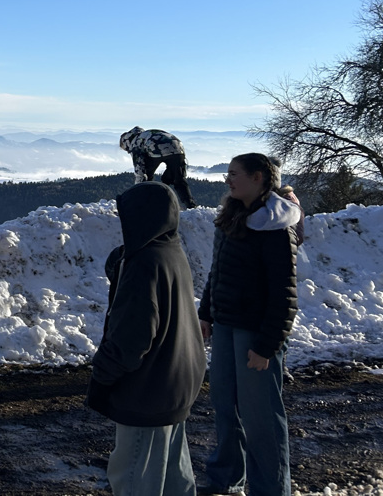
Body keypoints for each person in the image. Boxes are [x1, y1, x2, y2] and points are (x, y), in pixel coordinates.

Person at [86, 181, 206, 496]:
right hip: (175, 382)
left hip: (148, 389)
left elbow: (131, 340)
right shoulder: (171, 249)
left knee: (135, 475)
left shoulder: (144, 265)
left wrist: (101, 377)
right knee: (172, 475)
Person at [197, 153, 300, 496]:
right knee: (224, 404)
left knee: (261, 419)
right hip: (226, 325)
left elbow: (284, 293)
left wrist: (267, 346)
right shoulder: (233, 216)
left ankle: (270, 489)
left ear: (258, 178)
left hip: (255, 333)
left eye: (234, 174)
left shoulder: (274, 226)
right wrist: (206, 312)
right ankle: (225, 476)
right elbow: (219, 270)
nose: (228, 179)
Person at [119, 127, 197, 209]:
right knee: (179, 179)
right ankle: (191, 206)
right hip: (178, 148)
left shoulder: (135, 143)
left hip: (155, 148)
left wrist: (138, 189)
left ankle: (146, 205)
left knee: (147, 180)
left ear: (125, 143)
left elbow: (140, 170)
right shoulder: (147, 134)